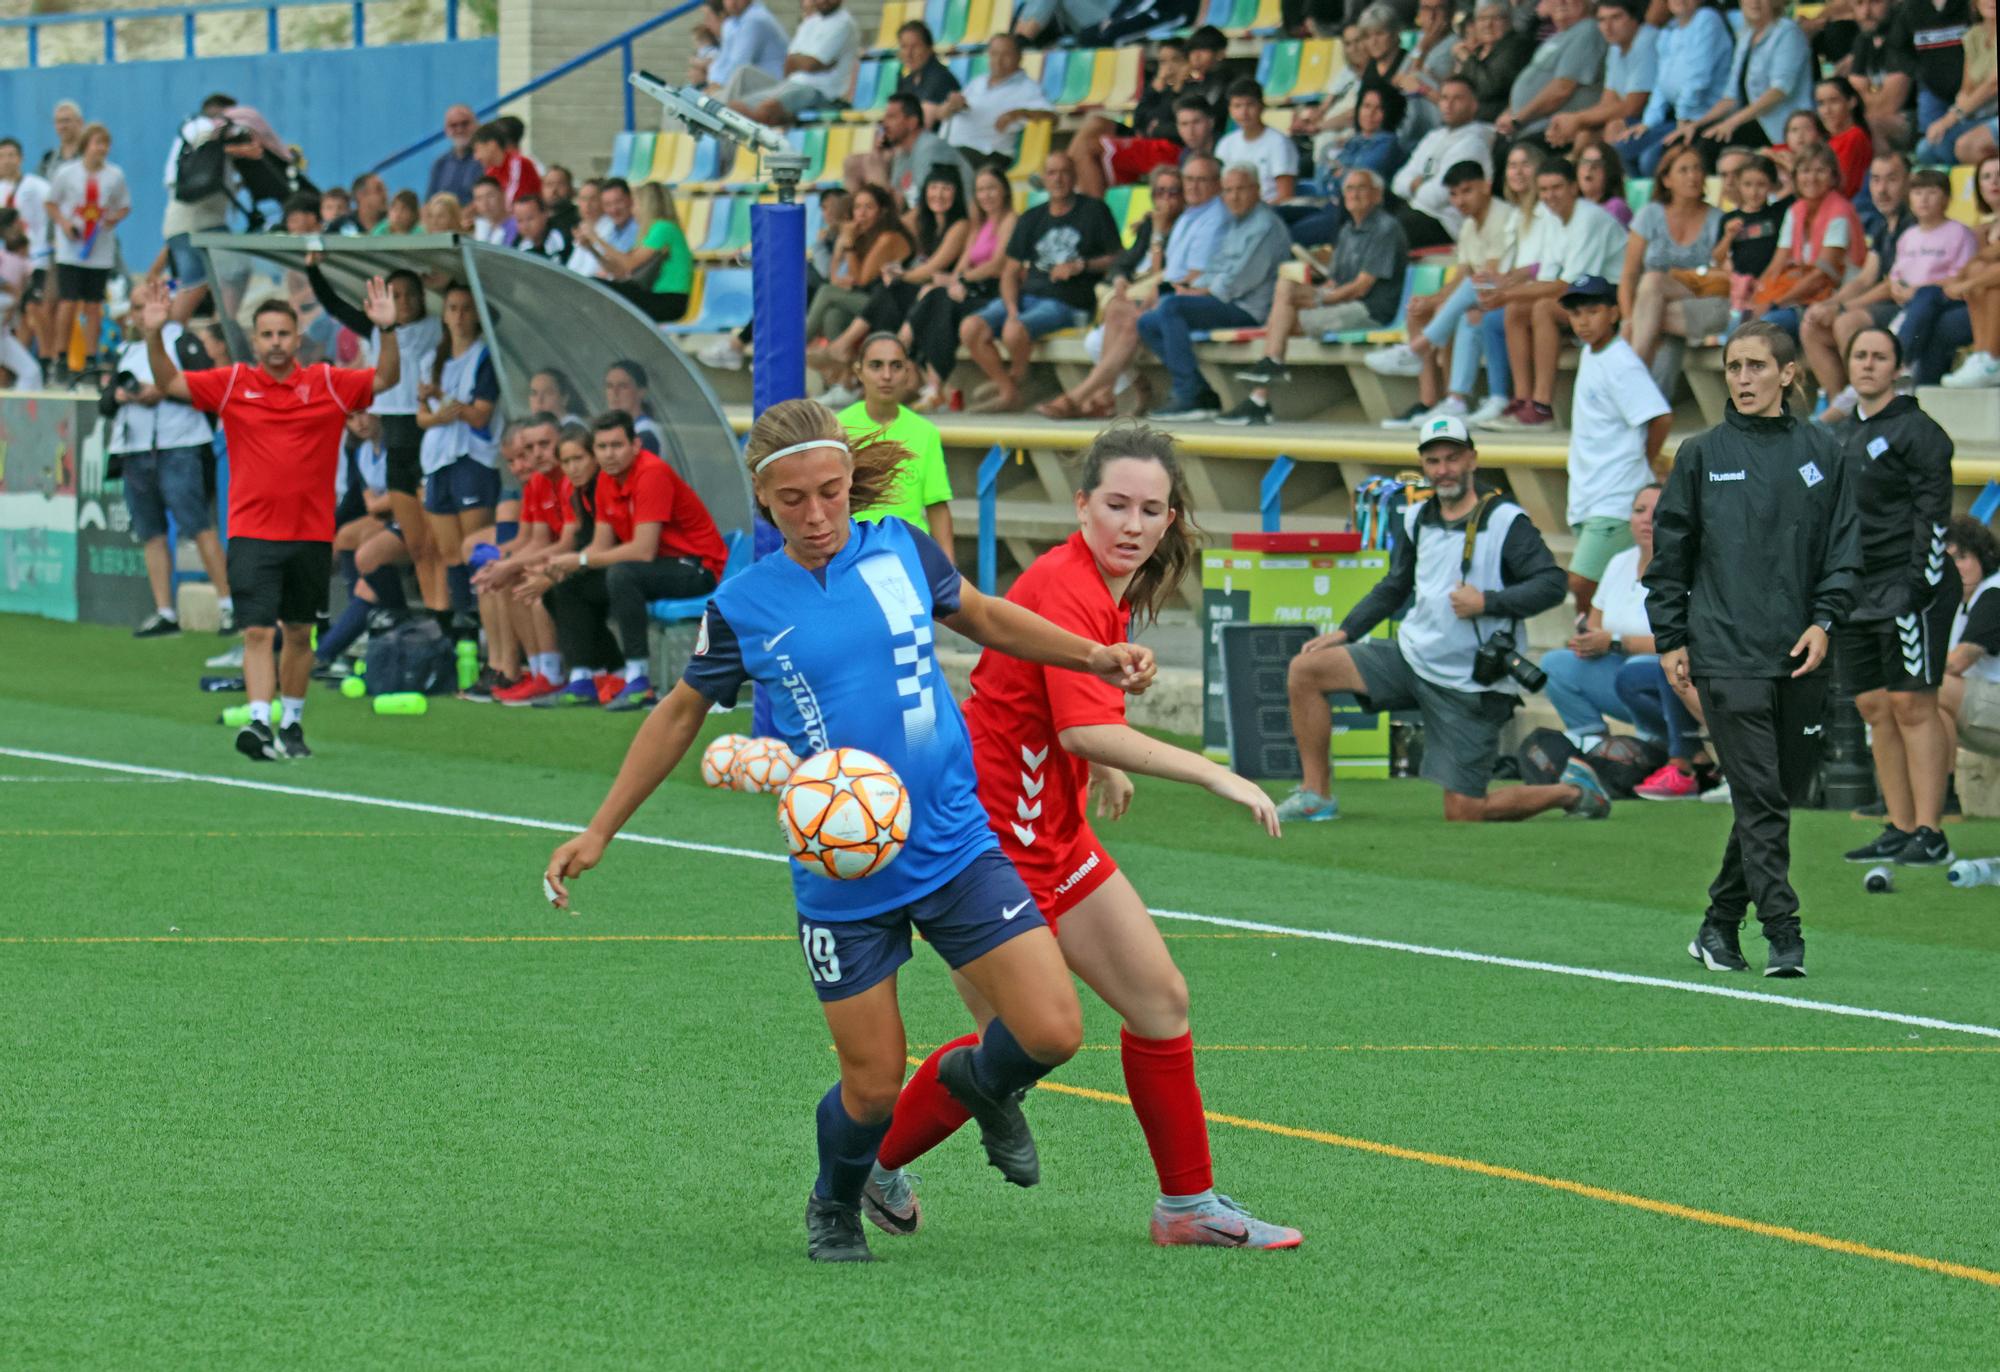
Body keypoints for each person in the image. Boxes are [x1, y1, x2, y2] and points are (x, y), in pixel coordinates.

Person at [542, 397, 1159, 1263]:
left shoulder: (902, 549)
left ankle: (973, 1083)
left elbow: (979, 613)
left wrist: (1089, 654)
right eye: (793, 501)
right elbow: (680, 715)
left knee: (1053, 1030)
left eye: (830, 492)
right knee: (871, 1090)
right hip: (842, 873)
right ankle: (834, 1202)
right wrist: (600, 830)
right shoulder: (744, 604)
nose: (817, 514)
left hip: (952, 843)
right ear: (766, 504)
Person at [863, 425, 1300, 1250]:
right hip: (983, 843)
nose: (1132, 524)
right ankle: (862, 1165)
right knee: (1018, 1041)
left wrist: (1102, 763)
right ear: (1082, 506)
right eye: (1116, 505)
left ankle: (1187, 1207)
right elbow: (1080, 732)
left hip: (1052, 833)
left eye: (1151, 509)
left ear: (1170, 518)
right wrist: (1217, 773)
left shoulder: (1110, 582)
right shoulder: (1068, 584)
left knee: (1159, 1002)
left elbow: (1059, 712)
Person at [1646, 322, 1861, 980]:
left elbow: (1843, 552)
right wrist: (1670, 637)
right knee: (1762, 798)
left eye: (1756, 366)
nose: (1741, 378)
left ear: (1788, 374)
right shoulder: (1701, 454)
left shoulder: (1827, 451)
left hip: (1800, 655)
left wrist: (1825, 621)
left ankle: (1717, 925)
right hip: (1724, 652)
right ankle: (1783, 935)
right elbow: (1670, 556)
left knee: (1774, 797)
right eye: (1734, 366)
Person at [1278, 415, 1607, 824]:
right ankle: (1316, 795)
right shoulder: (1417, 517)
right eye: (1433, 461)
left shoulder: (1506, 520)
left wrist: (1487, 601)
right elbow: (1395, 586)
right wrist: (1346, 631)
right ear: (1424, 466)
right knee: (1307, 669)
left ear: (1472, 459)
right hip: (1413, 657)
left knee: (1465, 812)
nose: (1443, 469)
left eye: (1452, 458)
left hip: (1470, 683)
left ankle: (1572, 792)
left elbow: (1553, 584)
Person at [134, 276, 401, 761]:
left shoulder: (326, 383)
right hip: (252, 533)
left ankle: (292, 724)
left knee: (299, 633)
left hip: (311, 536)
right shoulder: (234, 382)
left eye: (284, 334)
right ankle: (259, 722)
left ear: (296, 339)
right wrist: (154, 335)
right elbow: (171, 382)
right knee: (257, 631)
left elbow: (385, 379)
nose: (276, 343)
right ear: (254, 341)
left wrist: (386, 331)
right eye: (267, 335)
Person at [1833, 328, 1957, 870]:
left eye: (1879, 357)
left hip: (1911, 585)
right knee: (1873, 706)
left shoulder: (1919, 431)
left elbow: (1934, 516)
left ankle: (1930, 831)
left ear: (1897, 367)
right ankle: (1898, 825)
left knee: (1913, 703)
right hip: (1857, 591)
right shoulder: (1840, 435)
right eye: (1860, 356)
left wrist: (1919, 586)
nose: (1868, 365)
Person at [535, 412, 728, 712]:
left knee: (623, 574)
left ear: (635, 445)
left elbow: (642, 550)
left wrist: (580, 558)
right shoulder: (606, 481)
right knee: (569, 585)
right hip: (657, 567)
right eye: (602, 447)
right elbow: (600, 544)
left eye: (616, 445)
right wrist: (563, 566)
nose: (609, 454)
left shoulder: (651, 473)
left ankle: (638, 681)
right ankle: (583, 678)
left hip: (695, 567)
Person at [306, 259, 449, 615]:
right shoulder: (376, 330)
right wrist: (312, 270)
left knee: (436, 541)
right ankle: (429, 614)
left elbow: (480, 314)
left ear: (421, 297)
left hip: (427, 436)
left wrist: (443, 286)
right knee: (417, 544)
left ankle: (444, 612)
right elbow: (335, 306)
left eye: (409, 294)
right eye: (395, 295)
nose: (403, 301)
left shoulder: (437, 326)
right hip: (394, 441)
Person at [1041, 158, 1223, 420]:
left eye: (1174, 191)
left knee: (1122, 327)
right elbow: (1126, 262)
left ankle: (1082, 396)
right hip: (1153, 295)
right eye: (1160, 191)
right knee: (1113, 313)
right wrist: (1120, 280)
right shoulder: (1175, 220)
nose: (1167, 197)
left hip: (1180, 299)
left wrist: (1159, 234)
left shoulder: (1194, 220)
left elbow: (1173, 273)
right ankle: (1104, 396)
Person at [1222, 169, 1408, 426]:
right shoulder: (1347, 230)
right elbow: (1336, 281)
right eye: (1349, 189)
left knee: (1281, 322)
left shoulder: (1386, 228)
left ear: (1377, 195)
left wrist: (1320, 299)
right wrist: (1319, 293)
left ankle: (1261, 393)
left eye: (1360, 188)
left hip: (1370, 310)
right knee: (1286, 288)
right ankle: (1267, 375)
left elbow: (1361, 287)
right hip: (1345, 304)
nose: (1353, 195)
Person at [958, 152, 1121, 413]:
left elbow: (1117, 257)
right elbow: (1010, 272)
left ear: (1075, 177)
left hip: (1069, 301)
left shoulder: (1094, 210)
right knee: (970, 328)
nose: (1058, 179)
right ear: (1043, 179)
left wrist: (1082, 265)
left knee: (1014, 331)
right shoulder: (1032, 218)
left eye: (1064, 172)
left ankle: (1018, 378)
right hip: (1028, 297)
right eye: (1052, 173)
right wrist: (1011, 309)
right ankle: (1009, 390)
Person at [1364, 160, 1521, 426]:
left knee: (1469, 308)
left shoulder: (1502, 216)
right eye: (1454, 194)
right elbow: (1461, 275)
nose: (1460, 200)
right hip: (1484, 298)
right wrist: (1432, 300)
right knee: (1425, 310)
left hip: (1510, 295)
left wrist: (1444, 301)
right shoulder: (1469, 226)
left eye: (1467, 191)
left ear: (1486, 186)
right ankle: (1446, 401)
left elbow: (1490, 276)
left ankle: (1417, 351)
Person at [104, 317, 234, 638]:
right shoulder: (126, 351)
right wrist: (120, 395)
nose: (135, 316)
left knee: (199, 526)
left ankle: (229, 605)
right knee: (151, 533)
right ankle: (164, 611)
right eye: (134, 309)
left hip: (180, 446)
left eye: (141, 308)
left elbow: (207, 389)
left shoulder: (182, 343)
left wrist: (163, 393)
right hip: (135, 450)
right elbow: (104, 402)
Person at [1478, 155, 1628, 432]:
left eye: (1556, 187)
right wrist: (1509, 296)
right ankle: (1522, 400)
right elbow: (1547, 279)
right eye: (1544, 190)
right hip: (1585, 297)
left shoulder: (1589, 218)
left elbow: (1563, 286)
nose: (1549, 196)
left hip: (1614, 300)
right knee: (1517, 310)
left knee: (1542, 308)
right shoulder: (1551, 219)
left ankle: (1541, 406)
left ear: (1573, 187)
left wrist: (1507, 294)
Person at [1132, 166, 1291, 423]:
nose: (1234, 196)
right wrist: (1192, 289)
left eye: (1241, 189)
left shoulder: (1265, 226)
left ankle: (1189, 393)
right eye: (1228, 191)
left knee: (1172, 307)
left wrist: (1198, 292)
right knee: (1147, 321)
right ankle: (1198, 390)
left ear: (1257, 191)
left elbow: (1240, 280)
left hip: (1248, 309)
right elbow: (1214, 268)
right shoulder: (1235, 223)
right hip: (1223, 301)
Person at [415, 281, 502, 633]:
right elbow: (421, 416)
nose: (459, 316)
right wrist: (443, 410)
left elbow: (479, 414)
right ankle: (462, 627)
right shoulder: (431, 360)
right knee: (450, 553)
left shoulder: (485, 357)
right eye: (453, 308)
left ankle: (488, 624)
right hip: (437, 460)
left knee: (477, 550)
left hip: (472, 458)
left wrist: (443, 399)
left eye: (467, 308)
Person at [825, 167, 971, 376]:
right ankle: (845, 378)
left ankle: (830, 349)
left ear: (956, 193)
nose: (938, 194)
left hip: (940, 295)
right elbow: (835, 278)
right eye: (933, 188)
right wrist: (844, 243)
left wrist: (899, 274)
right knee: (834, 314)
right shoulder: (927, 224)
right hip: (921, 290)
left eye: (945, 188)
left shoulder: (960, 225)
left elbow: (931, 268)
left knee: (883, 293)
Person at [906, 165, 1016, 409]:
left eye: (991, 189)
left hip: (994, 291)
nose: (986, 195)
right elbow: (964, 262)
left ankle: (931, 383)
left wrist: (963, 281)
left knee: (942, 303)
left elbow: (998, 264)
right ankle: (932, 385)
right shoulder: (978, 224)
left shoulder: (1010, 220)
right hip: (971, 289)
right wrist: (955, 283)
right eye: (980, 190)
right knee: (939, 297)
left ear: (1005, 191)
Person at [1620, 144, 1722, 394]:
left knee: (1653, 282)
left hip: (1702, 298)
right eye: (1684, 170)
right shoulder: (1650, 214)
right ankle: (1652, 406)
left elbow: (1723, 277)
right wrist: (1628, 318)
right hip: (1660, 310)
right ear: (1666, 180)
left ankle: (1631, 373)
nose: (1693, 176)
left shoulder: (1717, 218)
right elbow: (1629, 274)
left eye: (1697, 169)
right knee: (1659, 325)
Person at [838, 332, 954, 549]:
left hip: (910, 554)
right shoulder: (836, 429)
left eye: (896, 366)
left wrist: (950, 574)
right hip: (852, 555)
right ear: (859, 372)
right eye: (876, 365)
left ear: (907, 372)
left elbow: (937, 506)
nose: (887, 375)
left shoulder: (925, 432)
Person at [1745, 144, 1861, 342]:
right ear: (1796, 177)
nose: (1812, 178)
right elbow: (1776, 264)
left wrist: (1776, 302)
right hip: (1798, 297)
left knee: (1766, 326)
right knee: (1742, 319)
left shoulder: (1839, 211)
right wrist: (1757, 295)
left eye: (1820, 171)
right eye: (1805, 171)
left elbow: (1821, 276)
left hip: (1833, 298)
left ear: (1833, 177)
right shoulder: (1796, 210)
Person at [1679, 0, 1813, 162]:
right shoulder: (1746, 36)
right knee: (1686, 140)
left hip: (1777, 125)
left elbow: (1779, 90)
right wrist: (1696, 124)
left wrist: (1732, 122)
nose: (1754, 2)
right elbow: (1730, 98)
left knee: (1710, 146)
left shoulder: (1788, 31)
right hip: (1749, 119)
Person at [1609, 0, 1731, 175]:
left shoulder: (1707, 19)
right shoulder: (1670, 29)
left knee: (1650, 160)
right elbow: (1661, 83)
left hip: (1703, 116)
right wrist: (1648, 122)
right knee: (1621, 149)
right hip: (1677, 117)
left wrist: (1684, 117)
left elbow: (1698, 78)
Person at [48, 123, 129, 384]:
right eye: (97, 143)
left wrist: (114, 218)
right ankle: (60, 356)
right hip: (72, 249)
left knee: (94, 305)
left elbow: (124, 206)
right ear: (86, 145)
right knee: (68, 301)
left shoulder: (114, 175)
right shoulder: (67, 173)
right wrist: (64, 224)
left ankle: (91, 358)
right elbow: (51, 203)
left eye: (106, 144)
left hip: (99, 249)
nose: (102, 149)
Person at [1066, 37, 1195, 199]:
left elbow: (1164, 122)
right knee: (1096, 121)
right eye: (1162, 62)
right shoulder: (1160, 87)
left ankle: (1094, 209)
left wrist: (1176, 90)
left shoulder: (1191, 88)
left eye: (1174, 60)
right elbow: (1138, 120)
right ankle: (1065, 171)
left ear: (1187, 62)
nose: (1167, 68)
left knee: (1088, 147)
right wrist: (1155, 88)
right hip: (1145, 139)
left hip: (1167, 147)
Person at [1387, 77, 1496, 250]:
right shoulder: (1434, 136)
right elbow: (1398, 181)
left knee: (1389, 231)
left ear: (1473, 105)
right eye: (1445, 98)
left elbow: (1440, 195)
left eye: (1457, 99)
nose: (1449, 104)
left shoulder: (1475, 142)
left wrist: (1415, 186)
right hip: (1416, 210)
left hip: (1445, 223)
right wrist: (1416, 186)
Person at [724, 0, 859, 129]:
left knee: (767, 111)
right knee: (734, 108)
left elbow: (810, 64)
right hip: (792, 84)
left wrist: (804, 61)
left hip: (822, 93)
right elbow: (789, 62)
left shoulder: (844, 23)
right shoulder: (811, 22)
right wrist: (806, 62)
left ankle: (782, 129)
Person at [1546, 0, 1658, 151]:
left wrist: (1577, 119)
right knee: (1585, 134)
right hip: (1632, 116)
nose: (1607, 27)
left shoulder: (1646, 41)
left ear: (1635, 18)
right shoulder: (1615, 47)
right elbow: (1608, 102)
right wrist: (1574, 122)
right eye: (1601, 20)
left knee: (1613, 127)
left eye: (1616, 18)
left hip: (1658, 117)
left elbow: (1633, 106)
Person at [1493, 0, 1608, 144]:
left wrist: (1518, 119)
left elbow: (1562, 89)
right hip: (1525, 126)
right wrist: (1509, 112)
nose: (1562, 2)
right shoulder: (1558, 36)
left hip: (1551, 130)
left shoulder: (1588, 30)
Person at [938, 32, 1052, 173]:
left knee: (942, 158)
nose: (999, 60)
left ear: (1019, 57)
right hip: (953, 149)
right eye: (994, 54)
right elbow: (941, 114)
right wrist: (953, 105)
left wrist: (1016, 114)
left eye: (1006, 55)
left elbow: (1051, 115)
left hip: (987, 154)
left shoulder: (1027, 87)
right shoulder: (978, 82)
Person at [581, 182, 692, 323]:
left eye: (635, 204)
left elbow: (629, 264)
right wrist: (592, 249)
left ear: (646, 206)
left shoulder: (663, 228)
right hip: (657, 296)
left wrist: (597, 238)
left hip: (669, 300)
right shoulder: (653, 230)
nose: (633, 210)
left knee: (598, 287)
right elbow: (620, 272)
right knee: (595, 285)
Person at [1940, 515, 2000, 763]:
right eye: (1948, 560)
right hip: (1985, 703)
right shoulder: (1960, 600)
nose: (1955, 567)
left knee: (1929, 689)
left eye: (1962, 557)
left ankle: (1944, 789)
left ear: (1983, 557)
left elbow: (1957, 663)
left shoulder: (1993, 594)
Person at [1941, 153, 2000, 390]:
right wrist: (1957, 280)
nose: (1994, 182)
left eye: (1999, 175)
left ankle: (1990, 360)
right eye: (1986, 177)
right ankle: (1982, 355)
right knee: (1979, 273)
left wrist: (1965, 284)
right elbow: (1976, 264)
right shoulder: (1982, 229)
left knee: (1991, 287)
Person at [0, 138, 56, 378]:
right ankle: (13, 367)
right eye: (3, 156)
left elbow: (55, 204)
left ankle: (45, 358)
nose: (7, 161)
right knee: (13, 311)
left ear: (21, 159)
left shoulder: (34, 185)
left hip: (35, 258)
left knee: (33, 307)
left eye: (12, 155)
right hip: (5, 264)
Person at [1213, 80, 1297, 207]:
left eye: (1250, 105)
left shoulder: (1279, 143)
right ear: (1230, 110)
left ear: (1261, 106)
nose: (1244, 112)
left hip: (1269, 211)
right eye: (1237, 106)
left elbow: (1285, 196)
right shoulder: (1226, 144)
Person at [1456, 0, 1536, 124]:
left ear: (1509, 20)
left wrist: (1467, 59)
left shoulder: (1517, 45)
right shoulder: (1478, 51)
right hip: (1466, 122)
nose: (1488, 24)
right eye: (1482, 19)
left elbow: (1488, 87)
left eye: (1496, 18)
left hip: (1493, 124)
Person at [704, 0, 791, 96]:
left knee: (742, 74)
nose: (732, 3)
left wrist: (716, 88)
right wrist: (714, 83)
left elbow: (739, 62)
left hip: (776, 87)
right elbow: (722, 61)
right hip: (756, 89)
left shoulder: (756, 19)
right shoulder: (731, 23)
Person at [893, 19, 960, 128]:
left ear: (929, 48)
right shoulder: (907, 81)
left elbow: (922, 125)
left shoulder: (941, 79)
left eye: (915, 46)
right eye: (904, 47)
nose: (909, 54)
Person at [471, 123, 541, 207]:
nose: (476, 157)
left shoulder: (519, 163)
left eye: (477, 150)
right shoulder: (490, 172)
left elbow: (512, 201)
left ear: (492, 145)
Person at [428, 105, 484, 204]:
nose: (459, 129)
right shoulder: (440, 164)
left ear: (476, 125)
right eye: (453, 125)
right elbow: (430, 201)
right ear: (446, 130)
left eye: (465, 124)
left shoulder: (485, 160)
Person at [1576, 143, 1631, 228]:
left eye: (1597, 164)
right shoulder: (1573, 207)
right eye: (1584, 162)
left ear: (1610, 171)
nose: (1589, 168)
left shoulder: (1616, 207)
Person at [510, 193, 570, 264]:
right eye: (520, 220)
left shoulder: (561, 241)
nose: (525, 226)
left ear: (545, 215)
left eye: (530, 219)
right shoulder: (518, 244)